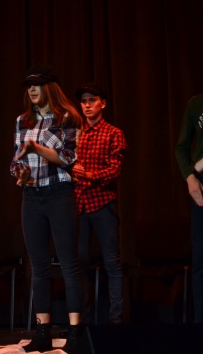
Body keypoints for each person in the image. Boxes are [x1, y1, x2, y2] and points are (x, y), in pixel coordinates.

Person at [10, 64, 84, 353]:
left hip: (60, 195)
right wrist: (20, 173)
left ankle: (75, 332)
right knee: (38, 266)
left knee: (68, 264)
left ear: (49, 88)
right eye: (29, 85)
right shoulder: (22, 120)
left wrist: (36, 148)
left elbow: (68, 158)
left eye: (37, 85)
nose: (31, 89)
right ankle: (42, 332)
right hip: (32, 197)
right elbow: (16, 160)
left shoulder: (67, 118)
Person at [73, 83, 127, 325]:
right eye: (83, 101)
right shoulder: (76, 133)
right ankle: (81, 322)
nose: (87, 105)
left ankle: (115, 320)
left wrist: (89, 175)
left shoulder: (113, 133)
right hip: (79, 204)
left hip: (103, 202)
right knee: (80, 263)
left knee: (112, 262)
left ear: (102, 104)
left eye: (91, 100)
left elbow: (115, 169)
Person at [175, 92, 203, 324]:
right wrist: (190, 177)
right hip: (201, 185)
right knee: (201, 260)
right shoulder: (196, 104)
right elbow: (181, 148)